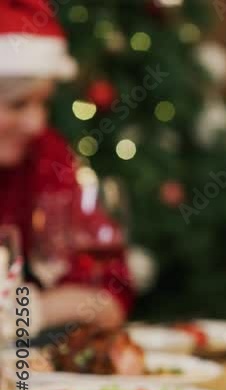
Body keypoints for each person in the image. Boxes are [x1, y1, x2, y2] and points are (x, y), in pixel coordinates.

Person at [0, 0, 131, 331]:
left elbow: (109, 291)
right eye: (17, 105)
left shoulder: (45, 154)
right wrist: (40, 310)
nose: (35, 123)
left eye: (43, 102)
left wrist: (28, 313)